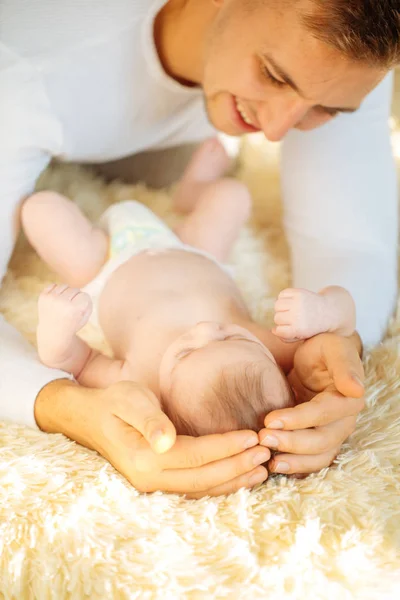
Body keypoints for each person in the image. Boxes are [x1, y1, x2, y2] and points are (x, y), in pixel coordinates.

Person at [0, 0, 396, 497]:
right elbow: (71, 368)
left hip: (172, 197)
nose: (275, 132)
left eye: (326, 110)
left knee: (200, 182)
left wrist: (338, 345)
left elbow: (351, 237)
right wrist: (66, 407)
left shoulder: (356, 51)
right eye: (273, 74)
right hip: (50, 105)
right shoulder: (21, 76)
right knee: (47, 207)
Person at [20, 138, 358, 441]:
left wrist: (57, 328)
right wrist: (322, 311)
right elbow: (344, 321)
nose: (204, 329)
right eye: (232, 337)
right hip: (194, 249)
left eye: (186, 354)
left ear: (162, 403)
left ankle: (68, 212)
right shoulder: (274, 348)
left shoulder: (140, 380)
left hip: (106, 264)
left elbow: (74, 361)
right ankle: (193, 191)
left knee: (41, 209)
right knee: (232, 196)